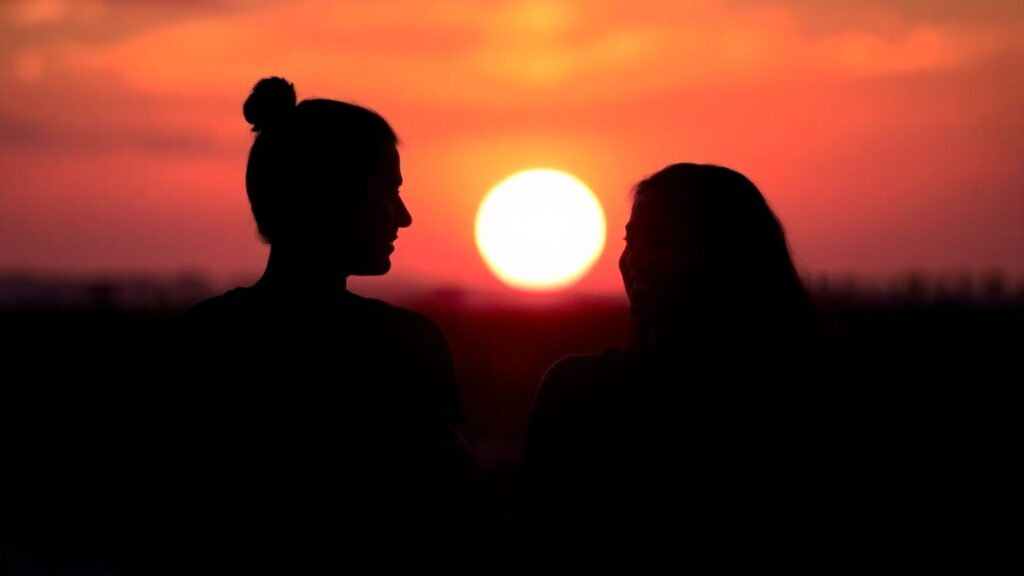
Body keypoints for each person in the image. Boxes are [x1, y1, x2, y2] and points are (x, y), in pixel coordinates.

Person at [128, 77, 478, 574]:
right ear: (332, 194)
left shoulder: (193, 342)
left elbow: (153, 531)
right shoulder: (406, 345)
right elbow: (455, 529)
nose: (404, 217)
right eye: (389, 190)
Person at [524, 163, 830, 570]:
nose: (633, 259)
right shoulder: (577, 388)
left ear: (727, 257)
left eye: (661, 242)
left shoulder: (790, 405)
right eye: (630, 240)